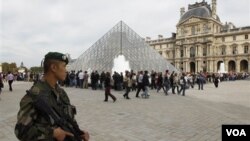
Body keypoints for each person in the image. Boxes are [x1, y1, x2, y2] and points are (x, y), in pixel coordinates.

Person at [14, 52, 89, 141]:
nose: (66, 70)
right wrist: (52, 133)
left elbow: (68, 119)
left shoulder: (61, 93)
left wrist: (79, 132)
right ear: (53, 67)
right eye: (64, 66)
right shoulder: (35, 96)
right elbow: (21, 131)